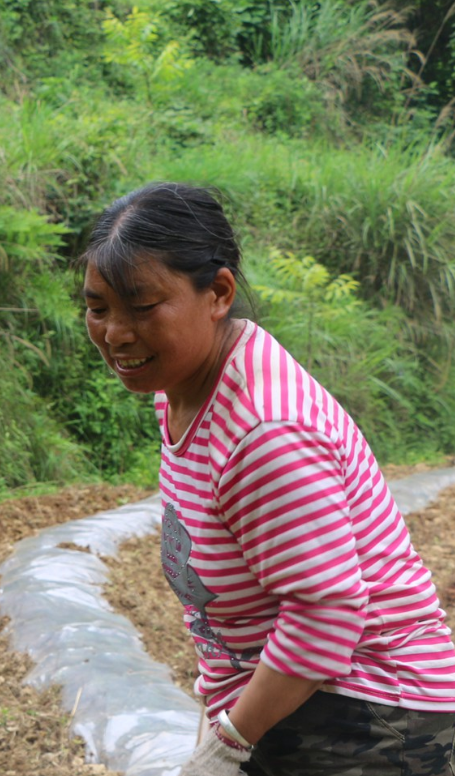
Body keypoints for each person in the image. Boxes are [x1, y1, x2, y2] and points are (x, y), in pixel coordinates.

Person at [81, 182, 455, 776]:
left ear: (219, 293)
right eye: (98, 308)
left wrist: (227, 744)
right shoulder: (180, 392)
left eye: (142, 307)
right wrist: (217, 700)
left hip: (374, 711)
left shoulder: (265, 431)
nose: (115, 332)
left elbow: (327, 612)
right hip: (299, 692)